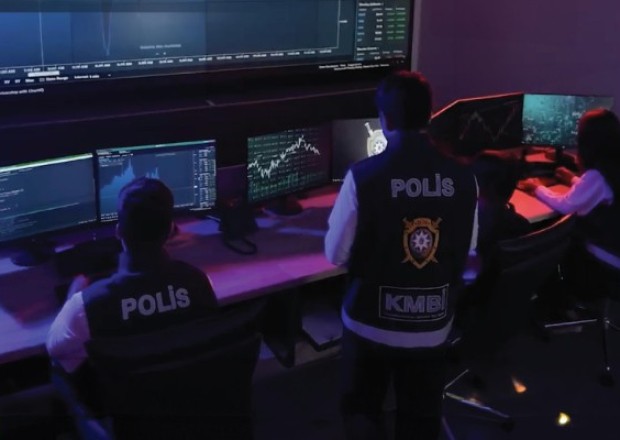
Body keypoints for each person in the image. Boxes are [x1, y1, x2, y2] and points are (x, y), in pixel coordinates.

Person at [325, 70, 479, 440]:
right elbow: (468, 246)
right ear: (430, 115)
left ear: (385, 119)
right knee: (421, 418)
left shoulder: (362, 176)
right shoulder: (464, 178)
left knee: (363, 413)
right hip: (433, 328)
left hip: (369, 325)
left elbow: (335, 255)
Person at [47, 177, 219, 437]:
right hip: (187, 401)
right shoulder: (199, 282)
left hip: (127, 420)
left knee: (59, 367)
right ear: (170, 230)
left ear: (119, 231)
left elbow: (54, 348)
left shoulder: (88, 305)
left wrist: (74, 293)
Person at [520, 108, 620, 298]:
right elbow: (596, 190)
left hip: (605, 254)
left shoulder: (597, 174)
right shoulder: (611, 166)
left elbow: (566, 205)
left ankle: (549, 297)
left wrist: (536, 187)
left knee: (550, 238)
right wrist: (573, 179)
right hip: (615, 248)